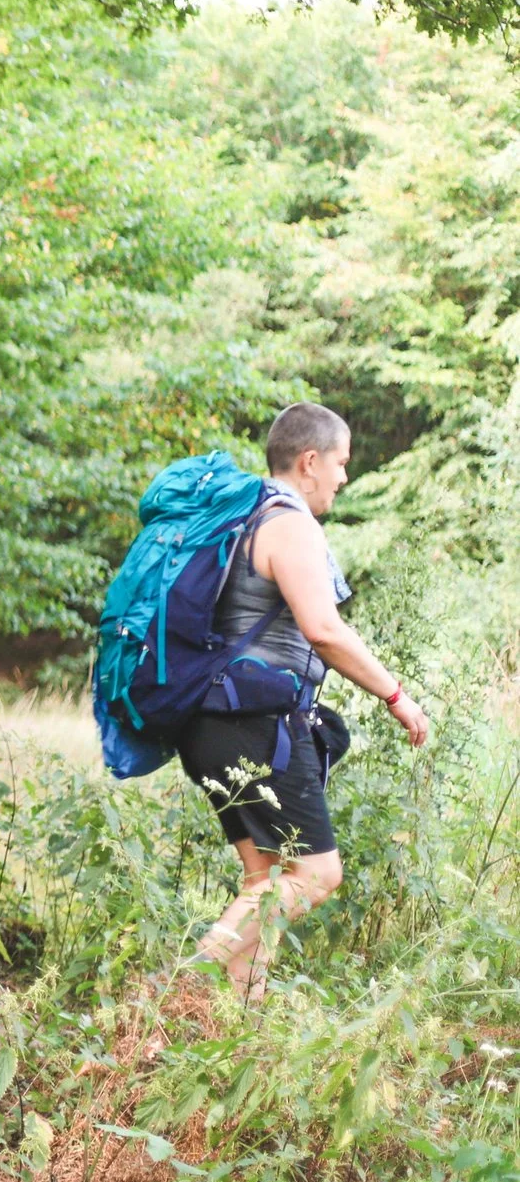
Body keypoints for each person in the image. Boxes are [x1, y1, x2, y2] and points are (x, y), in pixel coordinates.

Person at [176, 401, 431, 999]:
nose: (344, 477)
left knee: (265, 880)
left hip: (211, 722)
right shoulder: (287, 524)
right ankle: (180, 992)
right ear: (309, 461)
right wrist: (396, 695)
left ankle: (237, 1026)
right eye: (340, 463)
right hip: (252, 724)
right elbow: (323, 629)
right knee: (316, 872)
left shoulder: (241, 518)